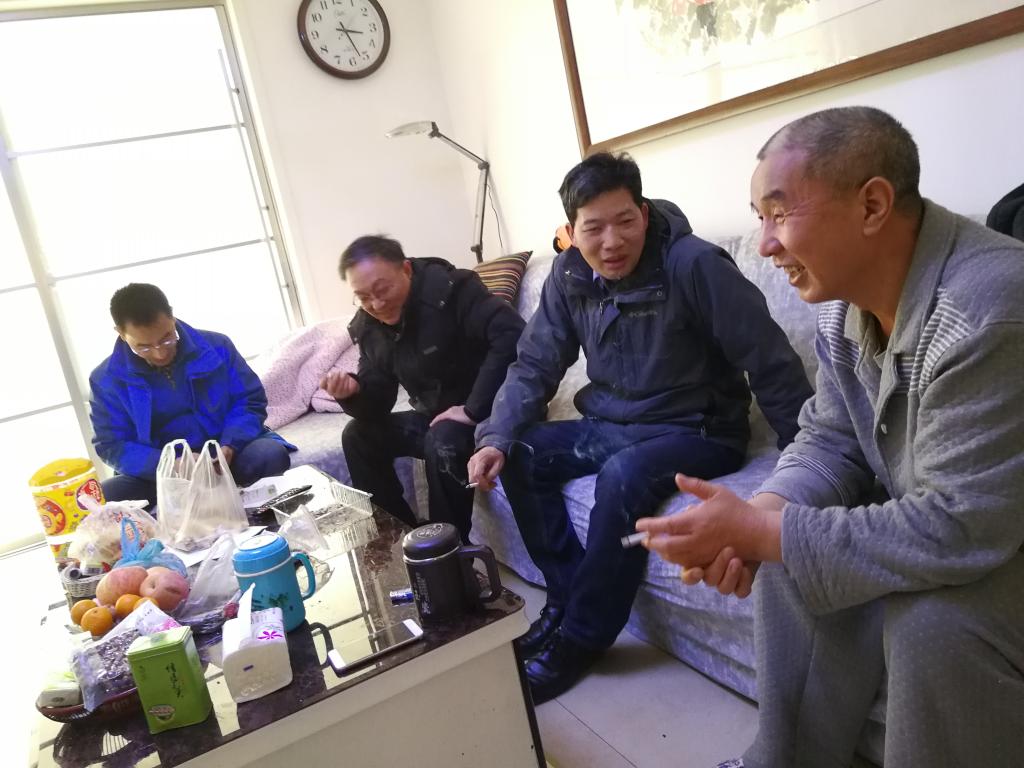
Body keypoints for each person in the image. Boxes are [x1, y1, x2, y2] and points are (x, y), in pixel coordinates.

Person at [637, 106, 1024, 768]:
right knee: (790, 536)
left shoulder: (986, 309)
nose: (764, 244)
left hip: (999, 533)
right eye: (759, 217)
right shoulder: (843, 304)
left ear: (872, 205)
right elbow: (830, 439)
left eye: (778, 213)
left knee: (930, 627)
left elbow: (964, 523)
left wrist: (770, 534)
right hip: (972, 524)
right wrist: (759, 516)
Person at [467, 153, 812, 703]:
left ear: (644, 214)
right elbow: (534, 364)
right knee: (522, 451)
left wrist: (807, 462)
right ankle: (566, 598)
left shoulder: (693, 264)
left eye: (625, 221)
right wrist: (495, 437)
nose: (612, 242)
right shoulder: (569, 275)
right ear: (571, 231)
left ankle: (582, 638)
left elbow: (768, 358)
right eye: (594, 228)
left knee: (624, 475)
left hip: (697, 428)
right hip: (611, 423)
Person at [323, 235, 524, 541]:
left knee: (443, 440)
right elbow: (379, 400)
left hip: (493, 414)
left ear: (406, 269)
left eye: (382, 289)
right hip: (438, 418)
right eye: (363, 297)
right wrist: (353, 392)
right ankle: (398, 539)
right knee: (358, 435)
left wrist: (473, 409)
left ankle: (444, 550)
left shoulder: (454, 290)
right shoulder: (369, 326)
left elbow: (512, 335)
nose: (376, 304)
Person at [90, 283, 293, 508]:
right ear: (121, 333)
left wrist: (229, 445)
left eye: (167, 338)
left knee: (269, 454)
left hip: (227, 457)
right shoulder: (106, 380)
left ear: (172, 317)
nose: (160, 353)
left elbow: (249, 400)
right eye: (144, 347)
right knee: (107, 494)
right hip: (162, 474)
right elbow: (112, 444)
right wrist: (171, 465)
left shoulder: (217, 346)